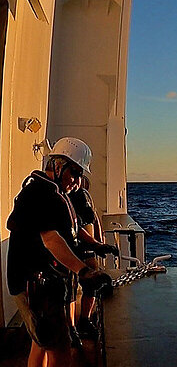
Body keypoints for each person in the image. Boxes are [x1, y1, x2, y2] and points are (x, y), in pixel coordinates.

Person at [6, 137, 112, 367]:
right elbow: (52, 240)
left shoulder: (56, 192)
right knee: (60, 349)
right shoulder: (40, 194)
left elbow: (70, 230)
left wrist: (96, 245)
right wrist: (84, 271)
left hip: (42, 283)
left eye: (80, 175)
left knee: (41, 343)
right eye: (74, 172)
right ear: (57, 164)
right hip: (35, 285)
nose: (77, 181)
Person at [68, 176, 119, 339]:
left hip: (88, 246)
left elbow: (94, 217)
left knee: (92, 283)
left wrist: (99, 242)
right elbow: (73, 225)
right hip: (74, 247)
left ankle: (84, 319)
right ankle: (71, 327)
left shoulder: (85, 196)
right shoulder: (66, 198)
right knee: (70, 289)